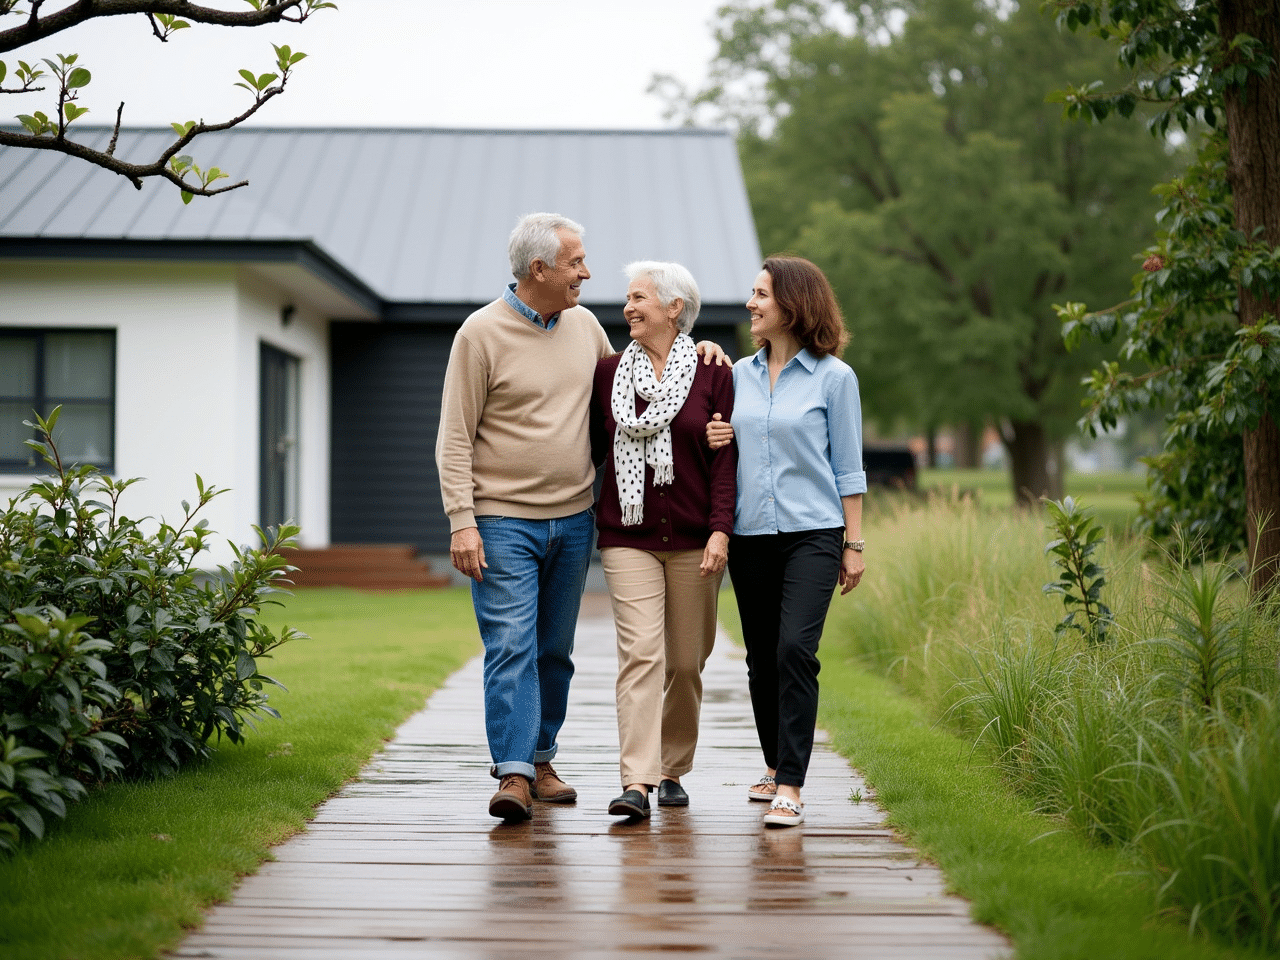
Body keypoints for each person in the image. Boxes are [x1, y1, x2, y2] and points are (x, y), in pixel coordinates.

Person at [436, 213, 729, 822]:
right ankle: (514, 772)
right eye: (575, 263)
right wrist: (462, 520)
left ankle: (541, 758)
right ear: (537, 269)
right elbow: (454, 436)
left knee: (554, 651)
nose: (586, 274)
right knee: (511, 644)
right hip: (501, 520)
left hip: (572, 518)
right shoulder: (479, 335)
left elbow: (641, 379)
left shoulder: (587, 328)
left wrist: (698, 347)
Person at [707, 255, 866, 828]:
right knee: (760, 661)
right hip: (751, 535)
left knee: (795, 651)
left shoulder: (834, 378)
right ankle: (776, 765)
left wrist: (854, 543)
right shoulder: (737, 376)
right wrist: (721, 434)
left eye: (761, 295)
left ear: (793, 304)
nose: (751, 304)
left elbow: (849, 468)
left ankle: (792, 787)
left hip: (814, 536)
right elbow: (724, 439)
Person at [589, 261, 736, 820]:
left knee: (685, 661)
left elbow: (727, 463)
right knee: (641, 655)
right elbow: (592, 449)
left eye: (639, 297)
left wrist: (722, 531)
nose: (628, 307)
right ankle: (638, 782)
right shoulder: (608, 373)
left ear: (674, 308)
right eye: (627, 298)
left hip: (698, 537)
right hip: (627, 534)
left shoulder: (712, 370)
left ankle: (673, 766)